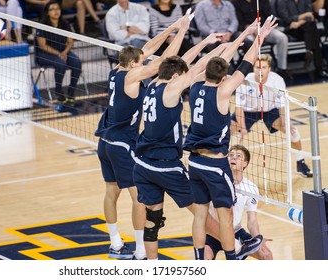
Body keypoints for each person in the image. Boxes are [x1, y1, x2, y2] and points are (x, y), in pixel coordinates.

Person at [94, 11, 193, 260]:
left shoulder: (117, 70)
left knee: (111, 191)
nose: (144, 62)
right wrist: (181, 32)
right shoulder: (133, 74)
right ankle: (140, 250)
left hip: (104, 141)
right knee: (140, 197)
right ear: (133, 65)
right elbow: (166, 61)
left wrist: (172, 26)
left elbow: (148, 48)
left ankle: (115, 243)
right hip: (122, 143)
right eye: (141, 62)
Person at [183, 16, 277, 260]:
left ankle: (198, 257)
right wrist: (259, 36)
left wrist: (244, 32)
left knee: (201, 215)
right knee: (225, 216)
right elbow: (246, 62)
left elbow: (219, 62)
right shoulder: (224, 90)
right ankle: (232, 255)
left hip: (193, 162)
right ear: (224, 77)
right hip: (215, 163)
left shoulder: (194, 84)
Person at [133, 33, 226, 260]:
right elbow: (200, 66)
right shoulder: (171, 90)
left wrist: (205, 41)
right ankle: (236, 245)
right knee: (201, 213)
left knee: (153, 220)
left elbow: (180, 59)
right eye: (181, 77)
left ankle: (152, 266)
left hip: (142, 164)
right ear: (175, 77)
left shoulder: (153, 83)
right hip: (166, 166)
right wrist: (223, 47)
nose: (185, 79)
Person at [230, 54, 313, 178]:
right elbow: (238, 107)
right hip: (248, 112)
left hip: (269, 110)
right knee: (224, 131)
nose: (260, 71)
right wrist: (242, 128)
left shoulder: (277, 80)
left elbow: (282, 106)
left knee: (293, 132)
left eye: (263, 67)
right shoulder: (245, 80)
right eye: (257, 68)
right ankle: (222, 165)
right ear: (253, 68)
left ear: (269, 69)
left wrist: (285, 123)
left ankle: (300, 163)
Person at [204, 144, 273, 260]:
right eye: (231, 155)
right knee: (204, 259)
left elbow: (252, 221)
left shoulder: (251, 188)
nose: (233, 158)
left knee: (266, 255)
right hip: (214, 232)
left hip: (236, 231)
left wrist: (258, 239)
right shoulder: (216, 182)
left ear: (245, 163)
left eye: (238, 156)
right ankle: (236, 246)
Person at [231, 0, 291, 80]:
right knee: (250, 43)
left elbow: (268, 15)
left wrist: (264, 30)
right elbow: (240, 22)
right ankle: (254, 70)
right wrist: (253, 29)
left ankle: (282, 69)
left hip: (265, 28)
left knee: (282, 38)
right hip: (248, 31)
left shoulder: (262, 1)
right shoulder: (235, 2)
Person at [35, 1, 82, 103]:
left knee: (77, 62)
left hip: (63, 52)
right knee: (61, 64)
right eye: (52, 9)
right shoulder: (42, 25)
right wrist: (58, 54)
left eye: (57, 9)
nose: (56, 11)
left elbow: (70, 42)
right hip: (44, 54)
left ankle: (71, 92)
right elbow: (42, 45)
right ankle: (59, 91)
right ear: (47, 12)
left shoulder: (65, 24)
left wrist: (64, 52)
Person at [276, 0, 328, 78]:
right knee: (313, 33)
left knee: (311, 27)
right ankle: (319, 67)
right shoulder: (281, 2)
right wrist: (304, 16)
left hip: (305, 27)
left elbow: (311, 16)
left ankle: (309, 51)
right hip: (291, 30)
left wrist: (299, 23)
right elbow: (287, 19)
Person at [194, 0, 248, 66]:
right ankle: (224, 68)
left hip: (229, 34)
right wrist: (217, 35)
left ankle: (244, 65)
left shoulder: (228, 5)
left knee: (247, 42)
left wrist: (229, 32)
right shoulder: (201, 6)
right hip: (212, 36)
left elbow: (234, 22)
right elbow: (202, 26)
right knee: (212, 46)